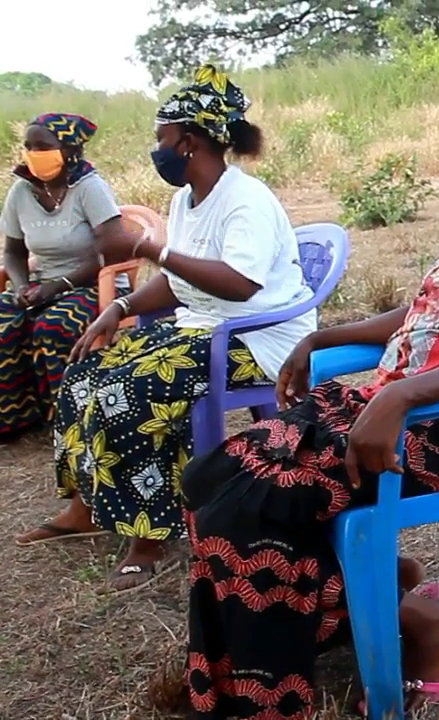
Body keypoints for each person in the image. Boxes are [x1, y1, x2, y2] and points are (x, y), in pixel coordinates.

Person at [176, 59, 439, 719]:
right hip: (396, 409)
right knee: (216, 476)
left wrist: (400, 397)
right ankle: (377, 609)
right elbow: (424, 312)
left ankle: (285, 686)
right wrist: (323, 337)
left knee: (269, 497)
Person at [13, 65, 317, 594]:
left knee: (132, 392)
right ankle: (85, 504)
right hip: (204, 326)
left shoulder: (245, 200)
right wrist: (117, 308)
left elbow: (241, 285)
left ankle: (150, 537)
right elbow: (179, 280)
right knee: (86, 368)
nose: (158, 149)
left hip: (254, 337)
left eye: (162, 138)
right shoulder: (186, 200)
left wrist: (154, 249)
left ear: (190, 141)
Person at [0, 113, 135, 439]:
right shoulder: (21, 191)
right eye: (29, 146)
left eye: (43, 146)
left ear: (69, 150)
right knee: (3, 319)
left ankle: (70, 419)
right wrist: (21, 287)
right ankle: (17, 417)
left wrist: (58, 286)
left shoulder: (90, 188)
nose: (33, 153)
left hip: (92, 283)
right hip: (41, 281)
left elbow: (112, 251)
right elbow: (13, 251)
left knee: (54, 326)